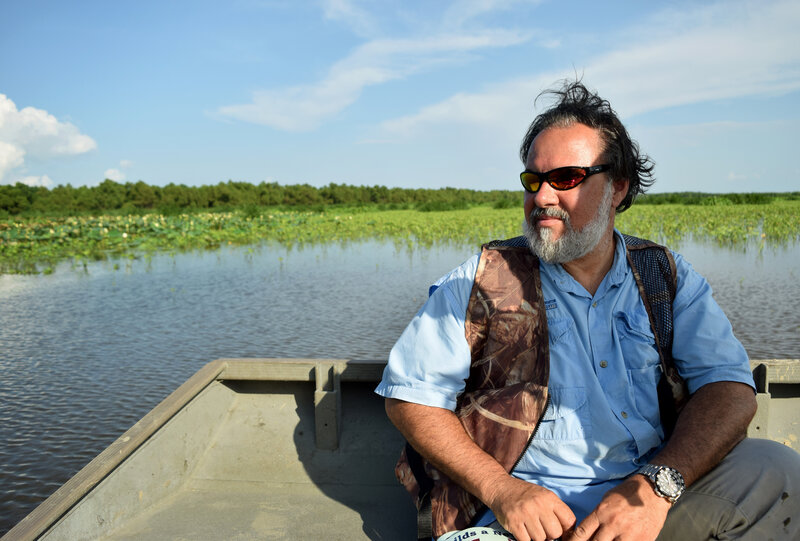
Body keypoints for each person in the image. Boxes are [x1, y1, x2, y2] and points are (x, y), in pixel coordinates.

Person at [375, 80, 800, 541]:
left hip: (646, 508)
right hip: (522, 521)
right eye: (533, 180)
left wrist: (656, 488)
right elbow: (411, 398)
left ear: (617, 188)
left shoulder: (665, 277)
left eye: (565, 179)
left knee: (773, 468)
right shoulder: (479, 279)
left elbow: (728, 388)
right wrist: (503, 491)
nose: (541, 198)